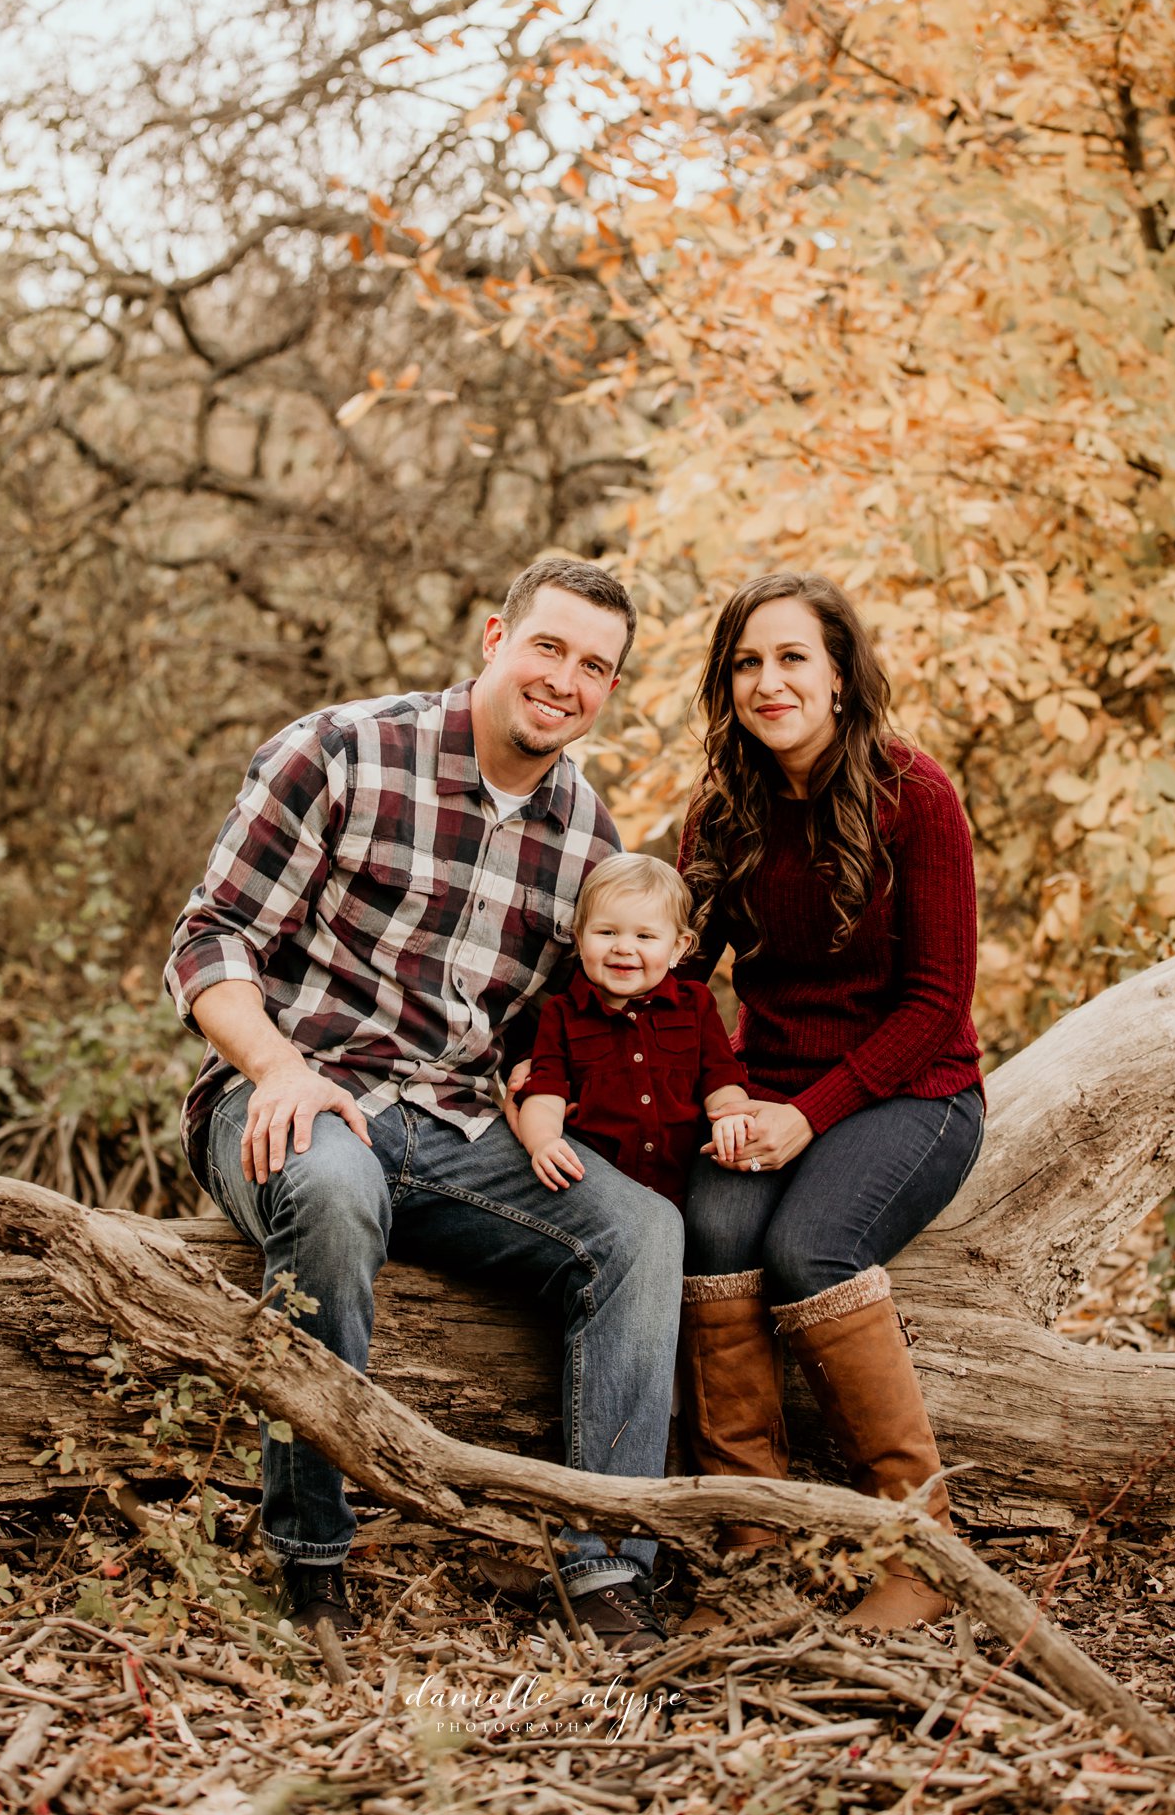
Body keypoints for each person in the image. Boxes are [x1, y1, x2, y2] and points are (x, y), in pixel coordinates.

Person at [163, 558, 683, 1654]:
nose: (566, 679)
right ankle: (313, 1564)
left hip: (456, 1130)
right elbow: (210, 938)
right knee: (336, 1194)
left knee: (643, 1230)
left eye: (596, 666)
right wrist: (279, 1068)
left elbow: (574, 1022)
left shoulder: (585, 830)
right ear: (496, 635)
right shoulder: (344, 750)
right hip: (288, 1097)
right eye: (549, 646)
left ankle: (605, 1564)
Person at [676, 571, 985, 1628]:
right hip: (766, 1091)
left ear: (843, 675)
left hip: (916, 1089)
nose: (769, 682)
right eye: (747, 662)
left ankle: (921, 1542)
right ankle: (753, 1543)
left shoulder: (916, 794)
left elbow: (938, 1003)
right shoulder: (721, 813)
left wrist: (812, 1111)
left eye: (793, 657)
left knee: (812, 1249)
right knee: (711, 1228)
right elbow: (679, 981)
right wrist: (727, 1087)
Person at [515, 853, 752, 1209]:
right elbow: (545, 1094)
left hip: (685, 1188)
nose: (624, 947)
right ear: (580, 939)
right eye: (606, 932)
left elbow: (720, 1077)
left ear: (677, 947)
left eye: (645, 935)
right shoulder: (561, 1014)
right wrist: (544, 1141)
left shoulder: (695, 1004)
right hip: (595, 1191)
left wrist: (732, 1112)